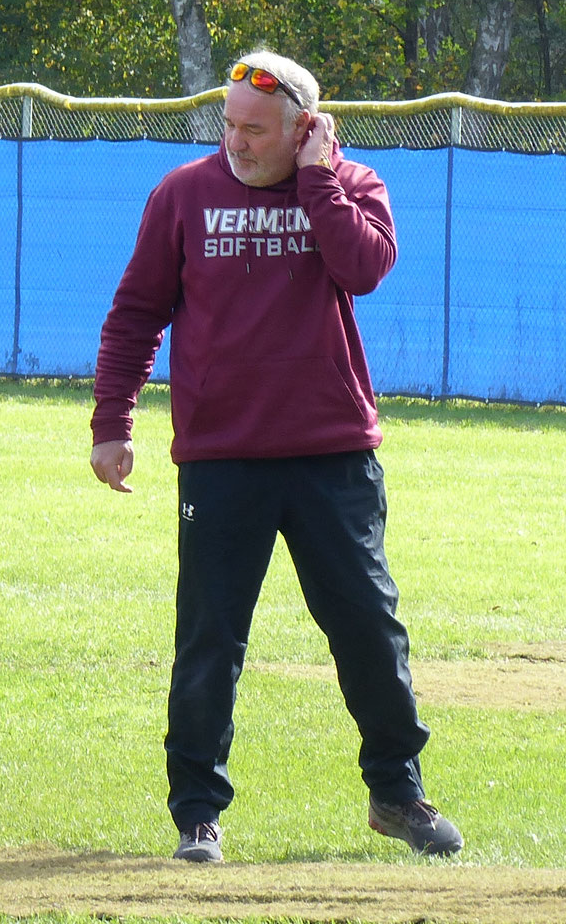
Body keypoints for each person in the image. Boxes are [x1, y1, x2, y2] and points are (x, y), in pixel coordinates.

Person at [90, 50, 463, 865]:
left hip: (333, 455)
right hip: (222, 458)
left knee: (369, 629)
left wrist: (319, 181)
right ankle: (197, 814)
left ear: (305, 130)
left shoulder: (352, 186)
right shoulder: (183, 194)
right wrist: (112, 422)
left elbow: (363, 268)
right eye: (229, 125)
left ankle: (396, 793)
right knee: (210, 639)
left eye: (256, 130)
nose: (237, 142)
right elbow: (136, 314)